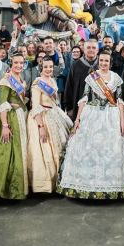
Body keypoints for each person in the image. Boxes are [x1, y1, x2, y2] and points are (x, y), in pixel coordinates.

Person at [58, 50, 124, 200]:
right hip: (92, 115)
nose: (104, 63)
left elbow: (120, 102)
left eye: (106, 61)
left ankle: (109, 187)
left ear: (110, 63)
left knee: (110, 151)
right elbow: (84, 98)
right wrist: (77, 120)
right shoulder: (92, 77)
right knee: (90, 150)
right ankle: (87, 186)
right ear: (99, 62)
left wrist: (122, 121)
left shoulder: (116, 78)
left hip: (111, 117)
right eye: (101, 60)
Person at [0, 53, 30, 200]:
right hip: (9, 118)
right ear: (11, 63)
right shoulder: (6, 80)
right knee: (9, 153)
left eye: (21, 63)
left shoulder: (21, 78)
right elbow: (3, 103)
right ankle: (8, 190)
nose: (18, 65)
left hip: (20, 116)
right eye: (16, 63)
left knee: (20, 151)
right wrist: (5, 125)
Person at [26, 57, 73, 193]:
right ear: (41, 68)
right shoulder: (37, 83)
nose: (48, 69)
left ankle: (59, 181)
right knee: (45, 150)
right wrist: (41, 127)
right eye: (46, 67)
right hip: (42, 118)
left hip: (54, 114)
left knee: (61, 145)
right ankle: (46, 185)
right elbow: (35, 107)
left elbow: (55, 101)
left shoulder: (52, 80)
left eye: (51, 67)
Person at [64, 38, 98, 117]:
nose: (91, 50)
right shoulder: (76, 65)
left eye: (93, 48)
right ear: (84, 49)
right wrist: (69, 108)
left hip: (98, 107)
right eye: (88, 47)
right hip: (79, 106)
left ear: (97, 50)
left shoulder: (102, 64)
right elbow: (69, 86)